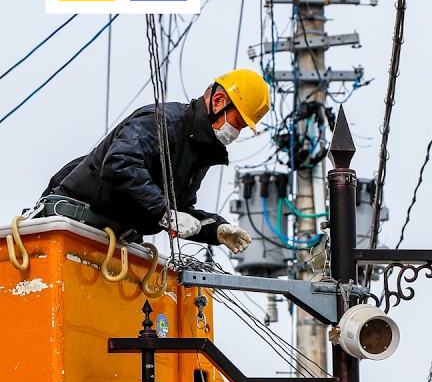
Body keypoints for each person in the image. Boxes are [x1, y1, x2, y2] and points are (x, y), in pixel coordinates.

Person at [41, 69, 270, 253]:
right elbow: (120, 163)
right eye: (238, 123)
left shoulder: (200, 151)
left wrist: (215, 229)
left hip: (112, 239)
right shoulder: (163, 122)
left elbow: (179, 212)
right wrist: (165, 213)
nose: (237, 132)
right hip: (74, 224)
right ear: (219, 102)